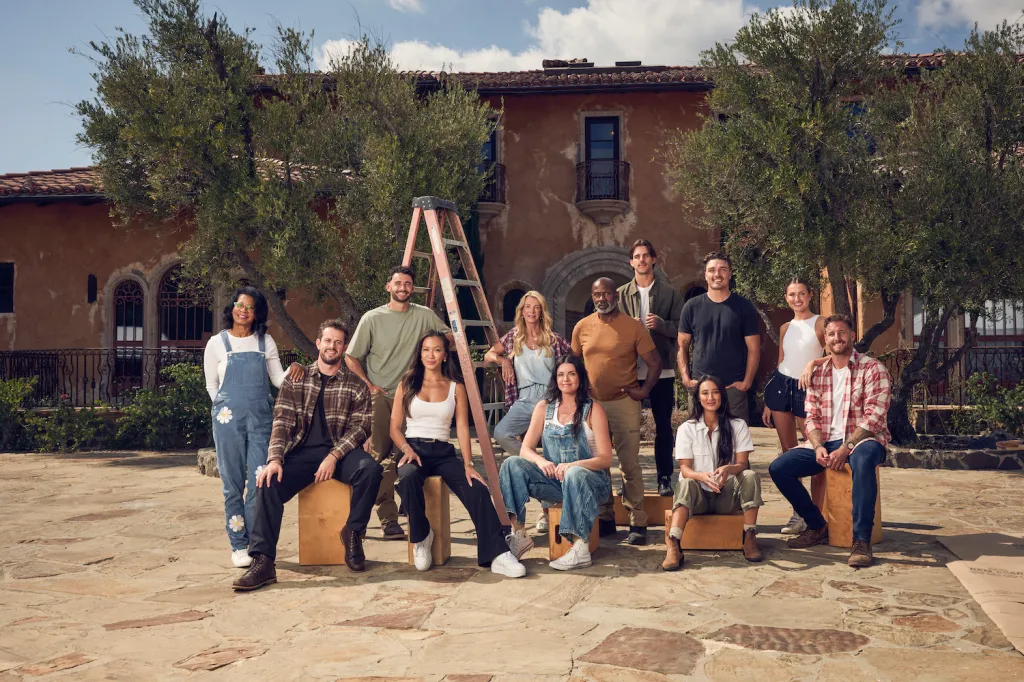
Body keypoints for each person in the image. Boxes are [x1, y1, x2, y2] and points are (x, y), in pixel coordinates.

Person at [233, 320, 383, 591]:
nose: (332, 346)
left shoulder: (355, 384)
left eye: (338, 342)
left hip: (340, 453)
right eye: (328, 341)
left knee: (371, 470)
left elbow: (361, 427)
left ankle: (353, 532)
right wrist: (274, 460)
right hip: (302, 453)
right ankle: (263, 562)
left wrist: (334, 456)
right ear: (318, 343)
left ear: (344, 348)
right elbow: (282, 422)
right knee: (268, 482)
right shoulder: (297, 379)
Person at [392, 331, 526, 577]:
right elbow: (394, 427)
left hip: (443, 452)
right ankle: (421, 537)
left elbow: (463, 427)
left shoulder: (456, 387)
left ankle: (498, 554)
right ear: (420, 354)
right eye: (426, 350)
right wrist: (406, 448)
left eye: (436, 350)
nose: (430, 355)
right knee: (407, 476)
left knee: (477, 488)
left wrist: (468, 463)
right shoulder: (407, 382)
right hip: (413, 449)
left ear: (445, 355)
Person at [768, 314, 891, 568]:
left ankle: (861, 540)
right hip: (826, 442)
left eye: (842, 333)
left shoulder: (872, 368)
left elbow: (875, 417)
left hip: (863, 441)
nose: (837, 338)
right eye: (832, 334)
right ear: (825, 340)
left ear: (852, 336)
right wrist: (817, 446)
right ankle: (817, 526)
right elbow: (811, 417)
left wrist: (846, 447)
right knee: (779, 468)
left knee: (862, 460)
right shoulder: (817, 374)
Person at [346, 265, 451, 540]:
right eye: (398, 283)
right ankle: (379, 518)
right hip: (382, 397)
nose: (403, 288)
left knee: (402, 455)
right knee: (377, 458)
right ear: (388, 287)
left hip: (412, 397)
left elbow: (448, 338)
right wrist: (369, 385)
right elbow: (351, 357)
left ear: (412, 288)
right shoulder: (372, 318)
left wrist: (433, 364)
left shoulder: (424, 315)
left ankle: (395, 516)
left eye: (407, 284)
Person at [204, 286, 302, 568]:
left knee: (261, 481)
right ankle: (238, 545)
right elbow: (212, 385)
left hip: (260, 419)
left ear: (257, 313)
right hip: (227, 421)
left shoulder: (265, 342)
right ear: (232, 307)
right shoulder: (216, 343)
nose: (243, 311)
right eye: (240, 304)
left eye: (249, 307)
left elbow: (278, 381)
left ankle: (254, 543)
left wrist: (294, 369)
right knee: (232, 483)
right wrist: (223, 408)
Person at [500, 354, 613, 570]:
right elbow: (525, 448)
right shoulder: (544, 408)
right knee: (512, 464)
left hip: (591, 483)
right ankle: (519, 534)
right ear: (555, 379)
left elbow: (606, 459)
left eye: (571, 374)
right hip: (556, 483)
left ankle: (580, 548)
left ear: (580, 378)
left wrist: (574, 465)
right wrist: (540, 461)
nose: (565, 379)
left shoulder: (593, 409)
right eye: (561, 375)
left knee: (574, 474)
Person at [572, 277, 662, 545]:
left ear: (616, 296)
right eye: (597, 294)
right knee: (597, 464)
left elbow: (655, 363)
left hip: (624, 403)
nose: (602, 298)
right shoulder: (582, 327)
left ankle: (638, 521)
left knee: (629, 464)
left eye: (607, 294)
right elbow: (573, 365)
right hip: (592, 405)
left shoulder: (633, 327)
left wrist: (644, 391)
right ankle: (605, 517)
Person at [485, 290, 571, 533]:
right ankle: (535, 463)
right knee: (502, 433)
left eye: (536, 307)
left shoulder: (553, 339)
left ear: (541, 311)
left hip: (550, 399)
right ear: (521, 311)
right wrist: (503, 360)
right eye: (527, 307)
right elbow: (489, 354)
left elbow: (573, 360)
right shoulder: (514, 337)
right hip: (524, 399)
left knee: (551, 447)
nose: (531, 311)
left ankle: (546, 511)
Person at [662, 375, 763, 570]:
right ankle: (674, 543)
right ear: (698, 398)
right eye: (705, 393)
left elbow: (742, 464)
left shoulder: (738, 425)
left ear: (722, 396)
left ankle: (749, 536)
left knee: (750, 476)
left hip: (726, 496)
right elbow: (685, 468)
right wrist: (701, 476)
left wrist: (728, 469)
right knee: (685, 482)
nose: (711, 398)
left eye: (715, 392)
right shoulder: (686, 429)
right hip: (698, 498)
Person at [617, 239, 684, 497]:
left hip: (662, 370)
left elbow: (682, 328)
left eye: (646, 255)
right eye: (637, 256)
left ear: (654, 259)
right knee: (627, 429)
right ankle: (628, 481)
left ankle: (664, 478)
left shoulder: (669, 293)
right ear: (631, 262)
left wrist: (662, 325)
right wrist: (628, 327)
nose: (642, 260)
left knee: (664, 427)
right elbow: (611, 329)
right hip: (630, 371)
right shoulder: (621, 294)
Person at [762, 277, 827, 535]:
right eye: (792, 294)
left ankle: (817, 515)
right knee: (789, 455)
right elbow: (782, 360)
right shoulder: (785, 327)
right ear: (786, 298)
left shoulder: (821, 323)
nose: (796, 299)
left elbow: (836, 354)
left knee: (815, 452)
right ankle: (798, 513)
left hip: (807, 388)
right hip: (781, 387)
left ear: (810, 295)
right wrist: (770, 401)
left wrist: (813, 364)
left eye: (801, 293)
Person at [677, 251, 761, 421]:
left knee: (736, 436)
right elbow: (682, 346)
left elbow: (754, 348)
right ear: (705, 274)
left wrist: (746, 382)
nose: (717, 274)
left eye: (722, 269)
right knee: (699, 435)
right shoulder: (692, 307)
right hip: (701, 387)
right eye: (712, 270)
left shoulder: (743, 306)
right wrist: (686, 378)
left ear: (730, 274)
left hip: (733, 389)